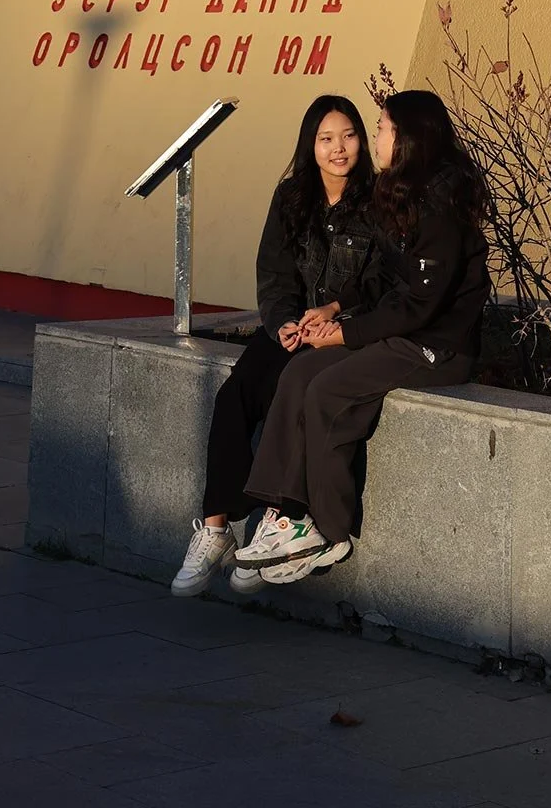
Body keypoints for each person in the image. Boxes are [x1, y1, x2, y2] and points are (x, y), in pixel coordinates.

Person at [230, 88, 491, 587]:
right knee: (301, 369)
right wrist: (331, 308)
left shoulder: (440, 205)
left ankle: (329, 529)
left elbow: (418, 304)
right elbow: (381, 278)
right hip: (399, 331)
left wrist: (344, 334)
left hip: (436, 347)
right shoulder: (400, 191)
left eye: (380, 128)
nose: (373, 138)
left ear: (409, 138)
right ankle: (285, 510)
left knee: (328, 389)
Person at [170, 95, 378, 596]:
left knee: (296, 393)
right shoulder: (292, 197)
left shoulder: (377, 201)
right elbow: (274, 274)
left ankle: (276, 529)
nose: (338, 148)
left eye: (348, 135)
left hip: (338, 334)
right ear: (310, 144)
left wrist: (332, 318)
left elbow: (377, 281)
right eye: (326, 138)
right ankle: (216, 529)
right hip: (291, 329)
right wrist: (284, 322)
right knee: (234, 395)